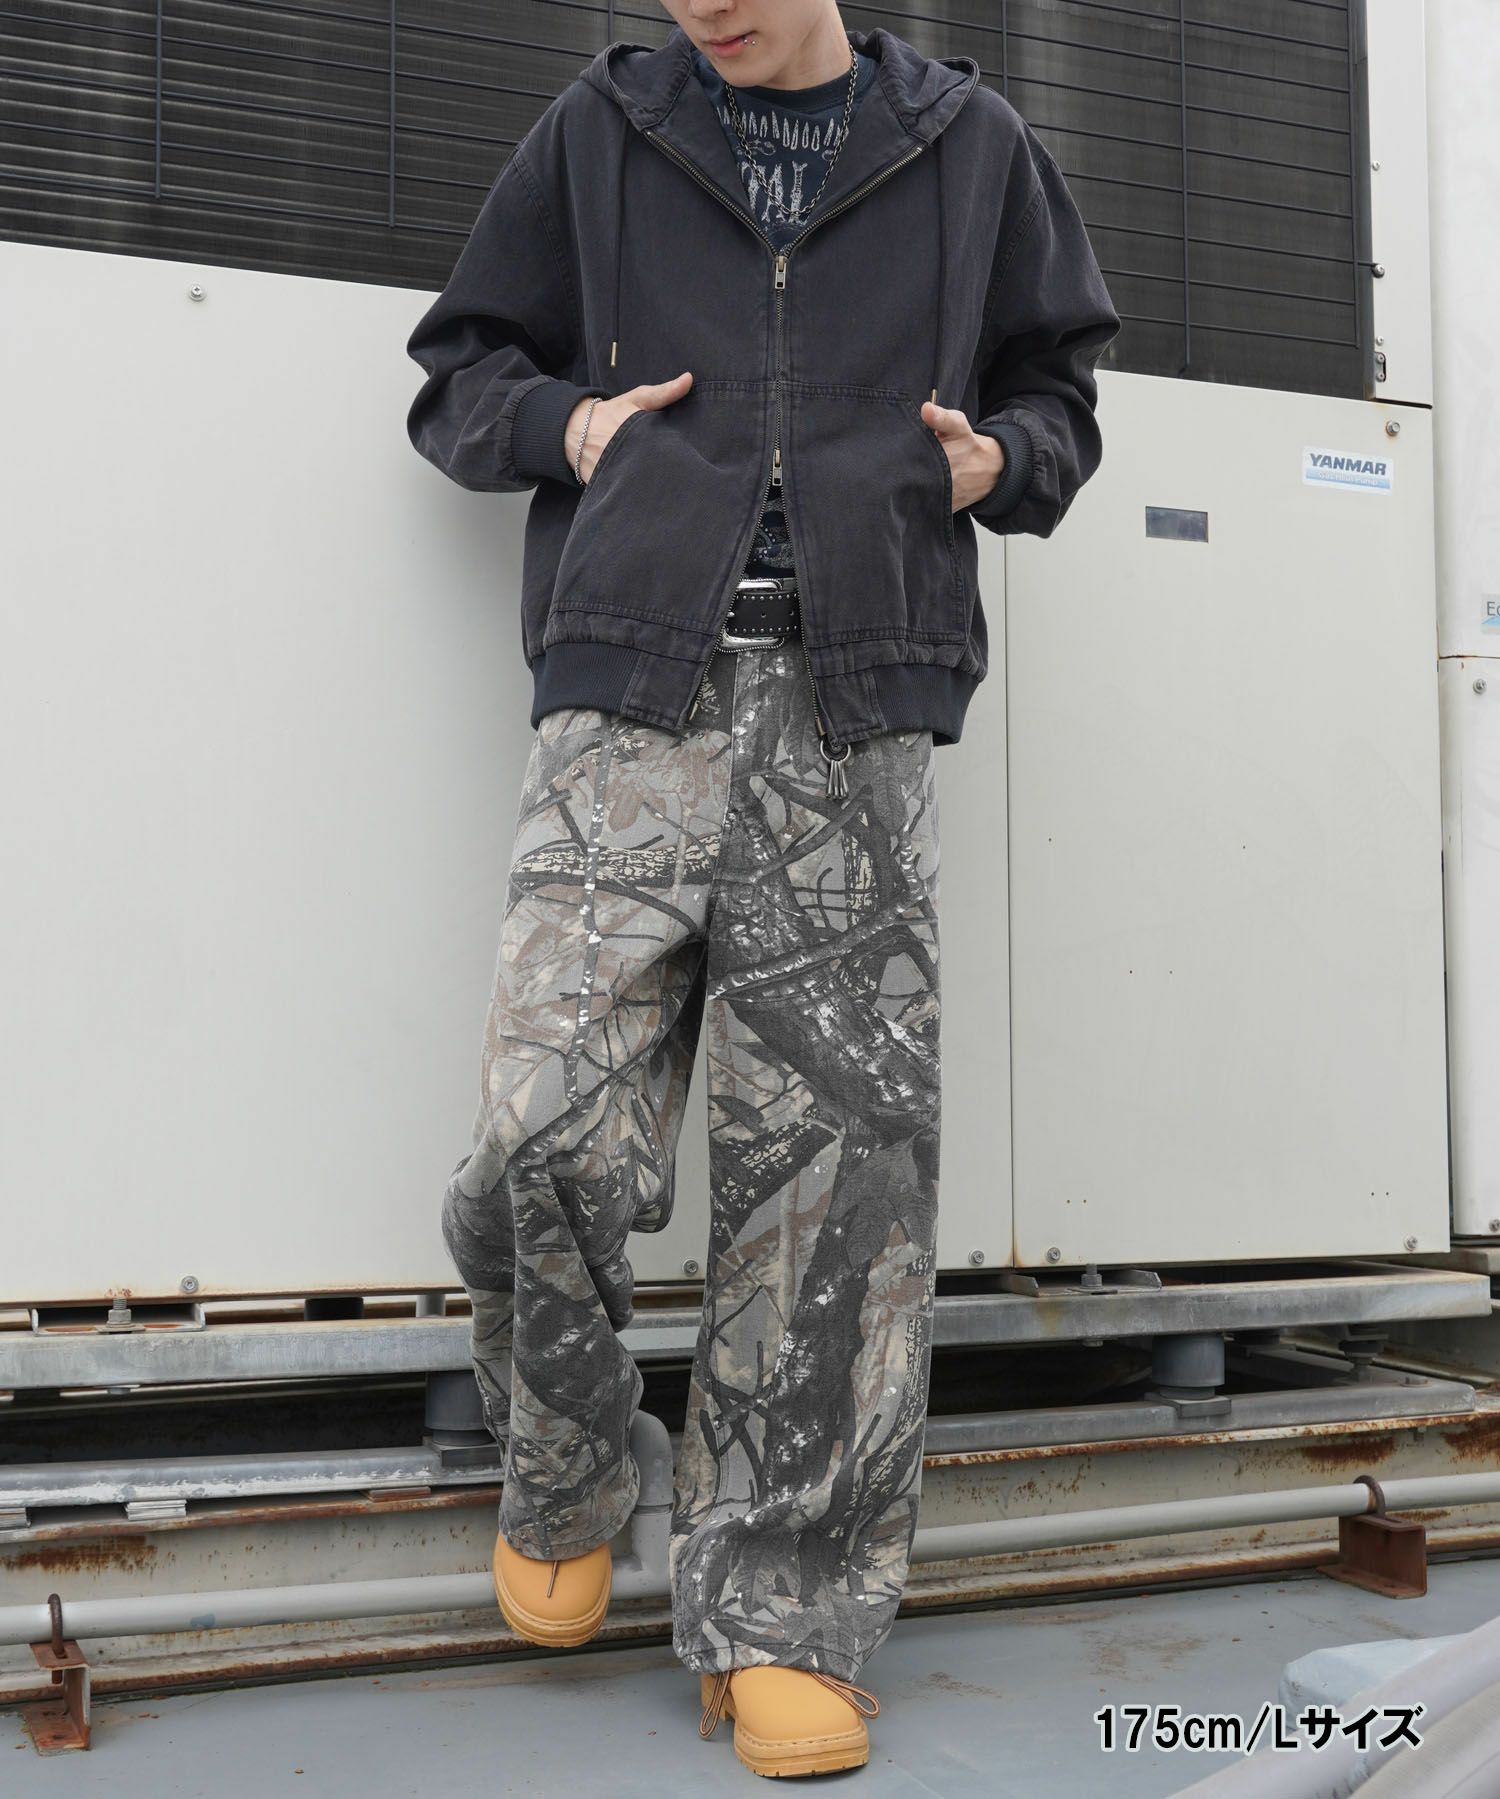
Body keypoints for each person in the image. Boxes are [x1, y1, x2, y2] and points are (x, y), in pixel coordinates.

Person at [404, 0, 1120, 1777]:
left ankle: (787, 1612)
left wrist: (1000, 464)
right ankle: (568, 1461)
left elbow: (1060, 397)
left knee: (836, 1183)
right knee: (542, 1132)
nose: (702, 7)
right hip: (629, 685)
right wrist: (570, 430)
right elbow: (460, 370)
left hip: (856, 701)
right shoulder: (605, 127)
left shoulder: (972, 148)